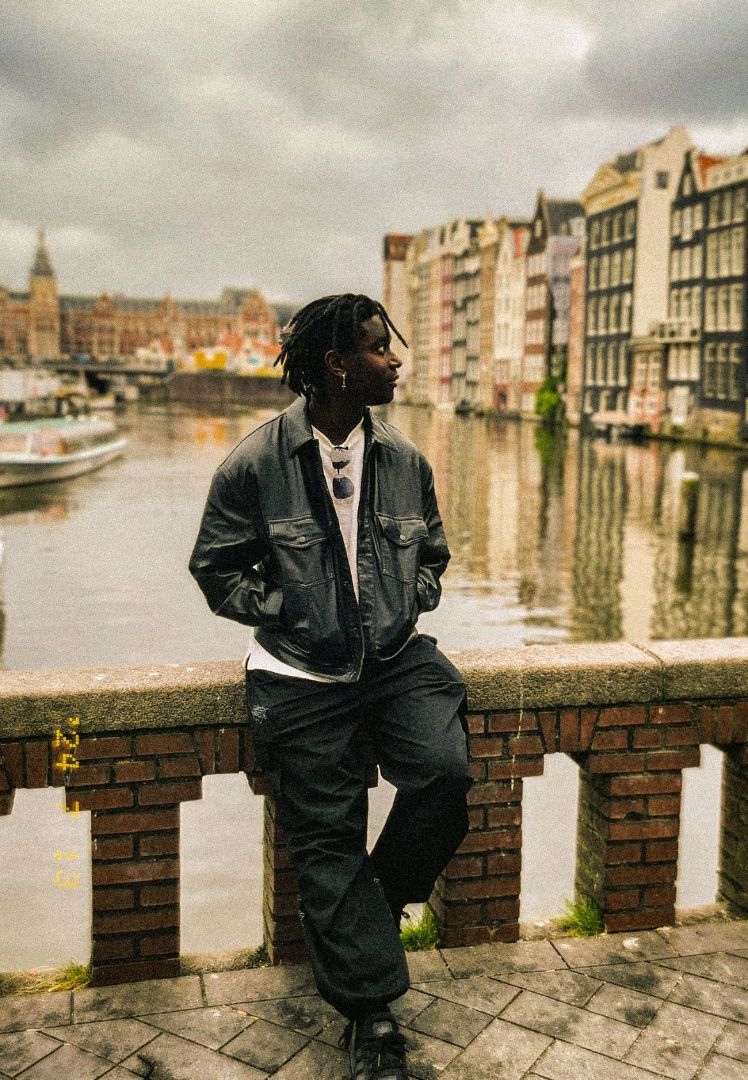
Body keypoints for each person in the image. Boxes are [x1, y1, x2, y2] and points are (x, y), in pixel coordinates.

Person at [189, 294, 471, 1080]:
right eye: (381, 349)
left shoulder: (405, 459)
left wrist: (412, 596)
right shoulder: (254, 462)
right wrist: (289, 609)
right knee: (328, 837)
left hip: (393, 658)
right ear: (336, 364)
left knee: (446, 774)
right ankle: (371, 1016)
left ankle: (369, 909)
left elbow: (434, 554)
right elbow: (214, 570)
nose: (396, 360)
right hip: (301, 676)